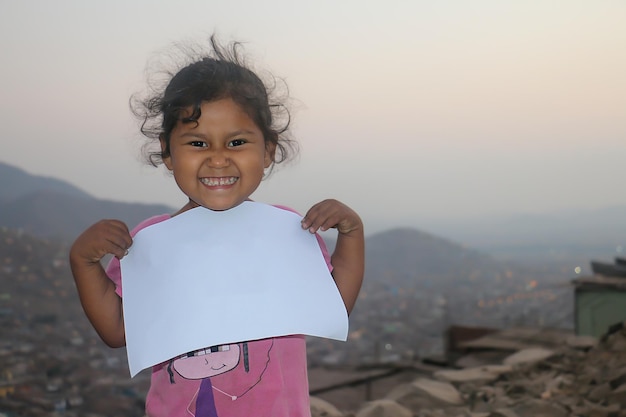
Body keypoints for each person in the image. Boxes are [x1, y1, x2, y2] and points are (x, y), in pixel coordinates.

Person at [69, 35, 364, 417]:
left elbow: (334, 305)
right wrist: (82, 261)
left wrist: (351, 233)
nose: (218, 160)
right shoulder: (150, 243)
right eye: (197, 144)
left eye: (237, 142)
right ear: (167, 152)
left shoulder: (287, 232)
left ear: (268, 150)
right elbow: (117, 331)